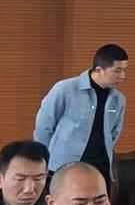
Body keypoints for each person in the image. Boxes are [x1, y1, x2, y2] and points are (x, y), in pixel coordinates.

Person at [35, 43, 128, 185]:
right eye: (117, 71)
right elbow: (44, 127)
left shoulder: (118, 99)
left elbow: (114, 133)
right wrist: (42, 160)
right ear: (99, 70)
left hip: (100, 167)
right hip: (64, 167)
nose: (122, 76)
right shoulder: (65, 89)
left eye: (125, 70)